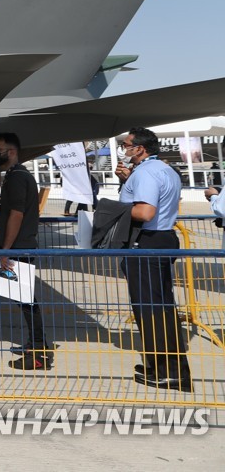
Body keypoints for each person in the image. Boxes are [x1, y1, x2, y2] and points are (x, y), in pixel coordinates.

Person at [117, 127, 191, 392]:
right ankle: (161, 366)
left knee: (150, 309)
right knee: (159, 307)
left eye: (126, 145)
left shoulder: (146, 172)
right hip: (163, 238)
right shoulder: (166, 169)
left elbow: (146, 211)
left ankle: (168, 372)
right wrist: (128, 181)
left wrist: (114, 209)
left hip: (147, 242)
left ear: (139, 149)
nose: (124, 150)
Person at [0, 132, 53, 370]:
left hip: (19, 247)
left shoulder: (17, 177)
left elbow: (16, 214)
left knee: (26, 300)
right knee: (24, 299)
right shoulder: (15, 176)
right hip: (20, 246)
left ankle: (38, 352)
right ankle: (36, 345)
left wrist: (5, 249)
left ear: (12, 151)